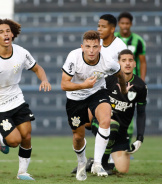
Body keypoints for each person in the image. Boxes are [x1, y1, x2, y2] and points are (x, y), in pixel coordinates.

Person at [0, 19, 51, 181]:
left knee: (26, 135)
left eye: (8, 31)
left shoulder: (21, 53)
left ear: (12, 34)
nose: (6, 34)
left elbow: (37, 68)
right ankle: (1, 133)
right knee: (14, 141)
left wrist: (44, 79)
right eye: (1, 32)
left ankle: (22, 172)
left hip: (17, 100)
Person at [61, 30, 130, 181]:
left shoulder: (107, 61)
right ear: (82, 47)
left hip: (96, 93)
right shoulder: (74, 57)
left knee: (105, 120)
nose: (91, 51)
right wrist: (83, 85)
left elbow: (120, 74)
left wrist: (124, 89)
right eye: (88, 46)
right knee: (78, 137)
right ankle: (81, 161)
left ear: (100, 47)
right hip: (75, 98)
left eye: (94, 47)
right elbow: (64, 84)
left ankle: (97, 163)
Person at [91, 49, 147, 174]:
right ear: (118, 63)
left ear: (134, 64)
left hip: (122, 132)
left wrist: (139, 138)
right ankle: (102, 163)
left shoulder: (140, 86)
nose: (127, 63)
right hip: (103, 124)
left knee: (122, 170)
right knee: (112, 125)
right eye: (124, 60)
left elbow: (141, 113)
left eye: (130, 60)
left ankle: (93, 162)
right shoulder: (109, 80)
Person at [115, 11, 147, 144]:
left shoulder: (138, 41)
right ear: (118, 24)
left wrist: (142, 82)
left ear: (131, 24)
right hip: (116, 81)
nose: (125, 26)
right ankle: (111, 146)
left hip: (133, 83)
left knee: (130, 112)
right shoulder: (113, 39)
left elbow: (143, 62)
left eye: (127, 23)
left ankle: (126, 144)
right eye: (122, 23)